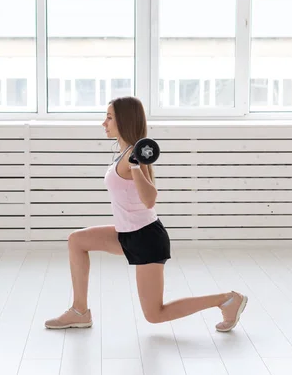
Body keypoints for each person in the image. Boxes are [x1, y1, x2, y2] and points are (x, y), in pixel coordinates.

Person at [44, 96, 247, 331]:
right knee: (77, 240)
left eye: (109, 117)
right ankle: (79, 311)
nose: (104, 123)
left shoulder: (134, 158)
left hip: (146, 239)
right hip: (127, 234)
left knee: (155, 314)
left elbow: (149, 199)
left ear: (125, 121)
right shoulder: (129, 153)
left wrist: (135, 167)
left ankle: (227, 300)